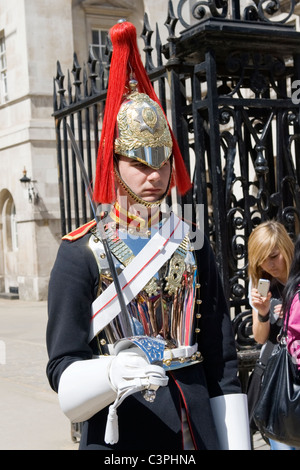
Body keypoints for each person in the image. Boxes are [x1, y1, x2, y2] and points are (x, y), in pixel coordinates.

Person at [46, 20, 251, 450]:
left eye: (161, 161)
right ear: (115, 164)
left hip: (194, 428)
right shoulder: (80, 252)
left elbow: (220, 355)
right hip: (122, 428)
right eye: (139, 162)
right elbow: (63, 361)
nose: (154, 175)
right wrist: (106, 373)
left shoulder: (189, 239)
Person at [248, 220, 295, 450]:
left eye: (275, 256)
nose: (270, 265)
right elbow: (259, 338)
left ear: (285, 247)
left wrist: (294, 312)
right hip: (278, 378)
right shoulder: (262, 282)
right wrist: (264, 313)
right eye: (263, 260)